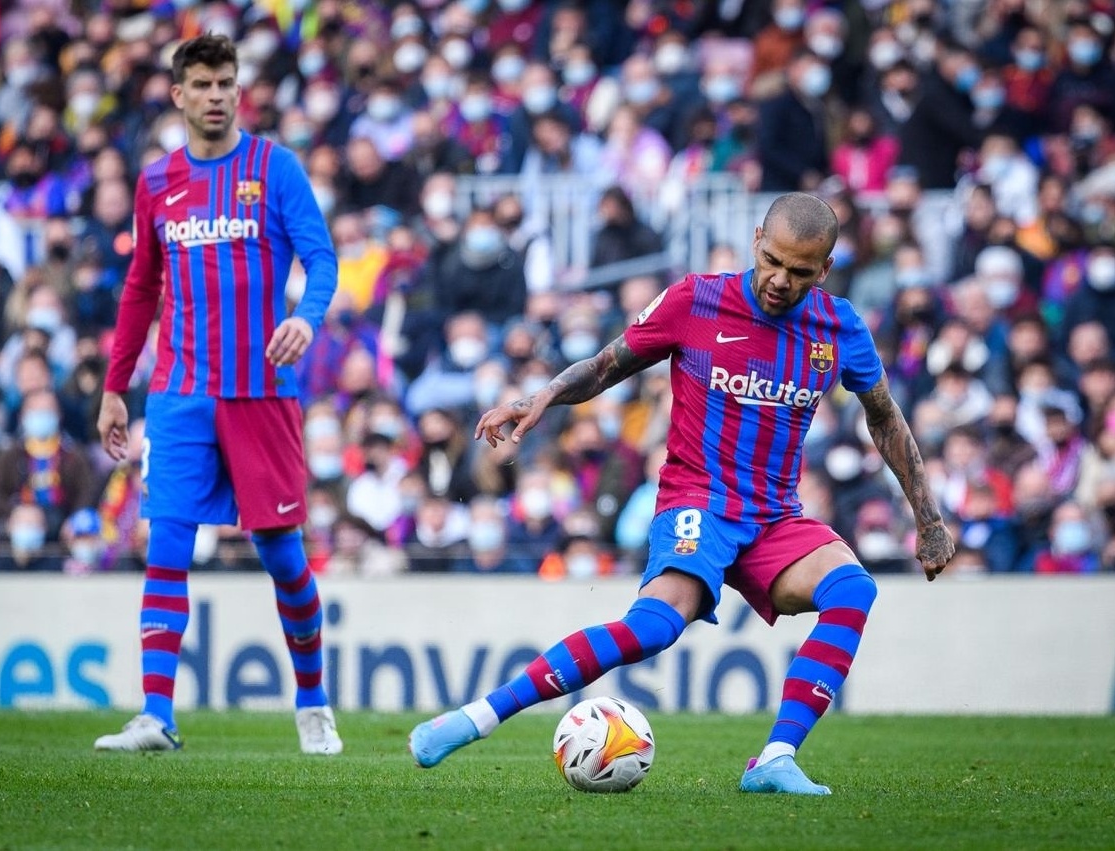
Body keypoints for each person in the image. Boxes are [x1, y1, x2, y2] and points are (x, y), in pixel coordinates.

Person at [408, 193, 955, 794]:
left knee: (853, 588)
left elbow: (884, 416)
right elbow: (605, 364)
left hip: (775, 517)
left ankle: (773, 759)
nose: (779, 280)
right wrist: (541, 397)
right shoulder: (696, 299)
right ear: (756, 240)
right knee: (653, 629)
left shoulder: (840, 326)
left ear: (824, 270)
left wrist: (927, 519)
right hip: (699, 504)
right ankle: (475, 717)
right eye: (772, 260)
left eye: (799, 272)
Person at [92, 35, 342, 756]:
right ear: (177, 94)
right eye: (201, 84)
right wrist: (115, 387)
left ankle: (313, 702)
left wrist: (304, 315)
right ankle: (156, 715)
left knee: (283, 557)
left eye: (225, 83)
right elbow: (141, 288)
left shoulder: (275, 167)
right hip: (179, 394)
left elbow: (322, 256)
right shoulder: (157, 183)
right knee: (167, 542)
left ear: (239, 91)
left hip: (262, 393)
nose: (215, 95)